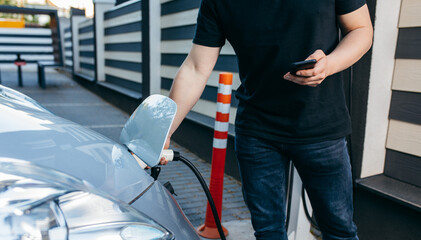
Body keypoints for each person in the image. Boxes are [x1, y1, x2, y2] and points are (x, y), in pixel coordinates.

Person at [162, 0, 373, 239]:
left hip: (322, 128)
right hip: (257, 133)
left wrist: (329, 65)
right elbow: (195, 68)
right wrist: (163, 131)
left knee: (339, 230)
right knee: (268, 233)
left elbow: (361, 30)